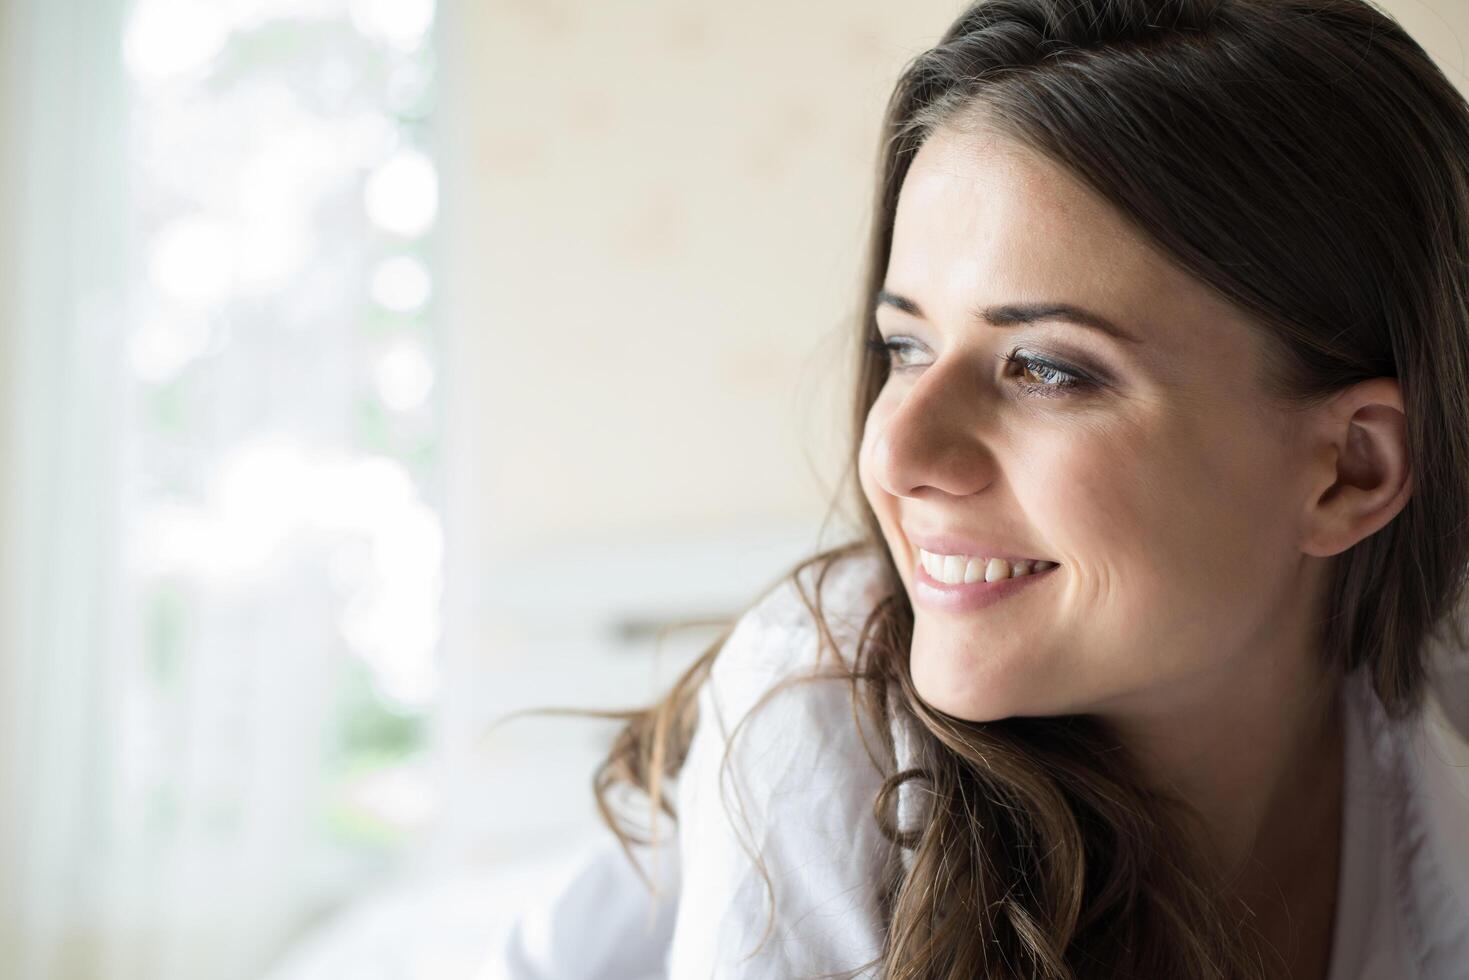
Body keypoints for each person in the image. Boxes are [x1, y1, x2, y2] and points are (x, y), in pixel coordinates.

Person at [481, 0, 1469, 976]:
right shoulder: (817, 717)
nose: (895, 451)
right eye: (903, 346)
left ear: (1352, 468)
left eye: (1045, 367)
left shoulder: (1438, 724)